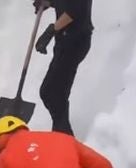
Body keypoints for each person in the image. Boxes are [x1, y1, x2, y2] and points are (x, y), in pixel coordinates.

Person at [32, 0, 94, 136]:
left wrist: (52, 30)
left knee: (51, 93)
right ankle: (62, 137)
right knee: (54, 94)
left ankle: (64, 137)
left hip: (75, 42)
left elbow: (76, 10)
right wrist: (48, 2)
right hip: (66, 41)